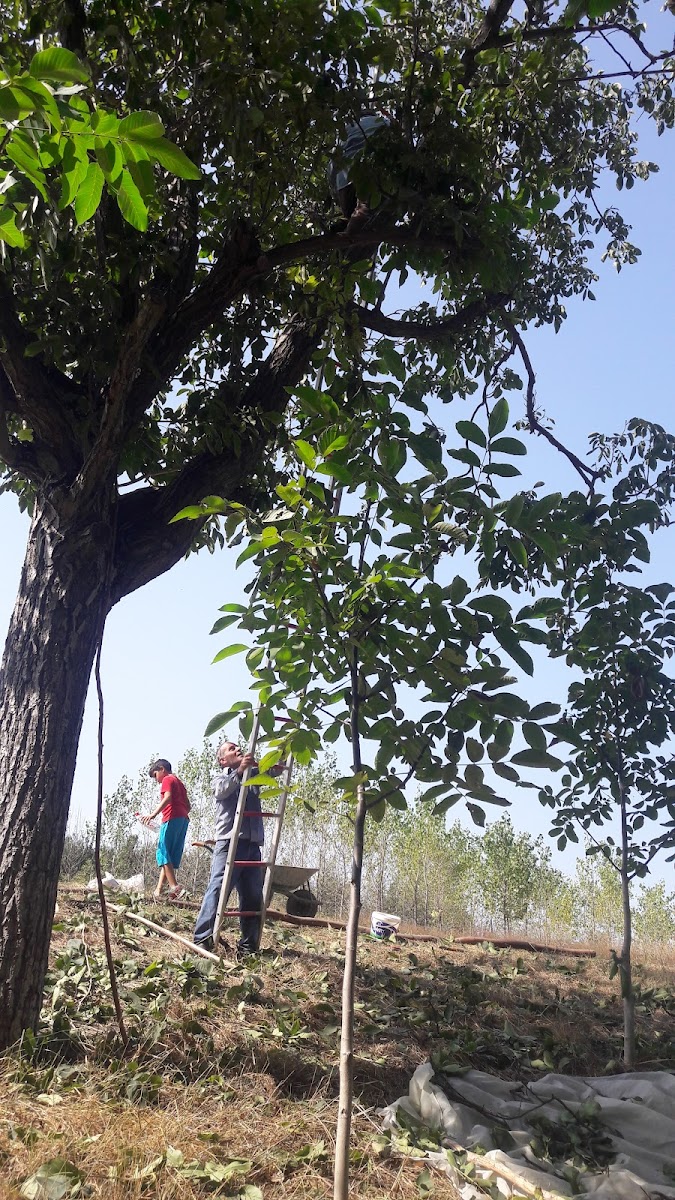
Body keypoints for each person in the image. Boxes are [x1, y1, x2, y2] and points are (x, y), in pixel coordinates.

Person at [193, 740, 265, 956]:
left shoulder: (253, 776)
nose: (238, 749)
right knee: (218, 888)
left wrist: (283, 754)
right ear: (223, 760)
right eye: (232, 749)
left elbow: (272, 771)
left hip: (252, 844)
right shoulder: (220, 778)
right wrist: (239, 771)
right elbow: (221, 791)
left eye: (238, 747)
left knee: (253, 895)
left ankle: (248, 947)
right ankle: (202, 938)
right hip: (229, 842)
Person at [328, 112, 390, 233]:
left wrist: (337, 194)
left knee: (355, 216)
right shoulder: (382, 121)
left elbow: (333, 165)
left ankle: (349, 222)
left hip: (345, 183)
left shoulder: (343, 133)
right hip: (375, 175)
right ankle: (355, 223)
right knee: (368, 215)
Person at [142, 758, 191, 901]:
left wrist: (153, 814)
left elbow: (168, 797)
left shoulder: (167, 779)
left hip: (171, 817)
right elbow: (188, 806)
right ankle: (159, 890)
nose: (156, 780)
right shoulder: (179, 782)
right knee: (168, 855)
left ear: (162, 769)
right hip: (183, 819)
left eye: (155, 775)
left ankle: (175, 887)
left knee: (162, 852)